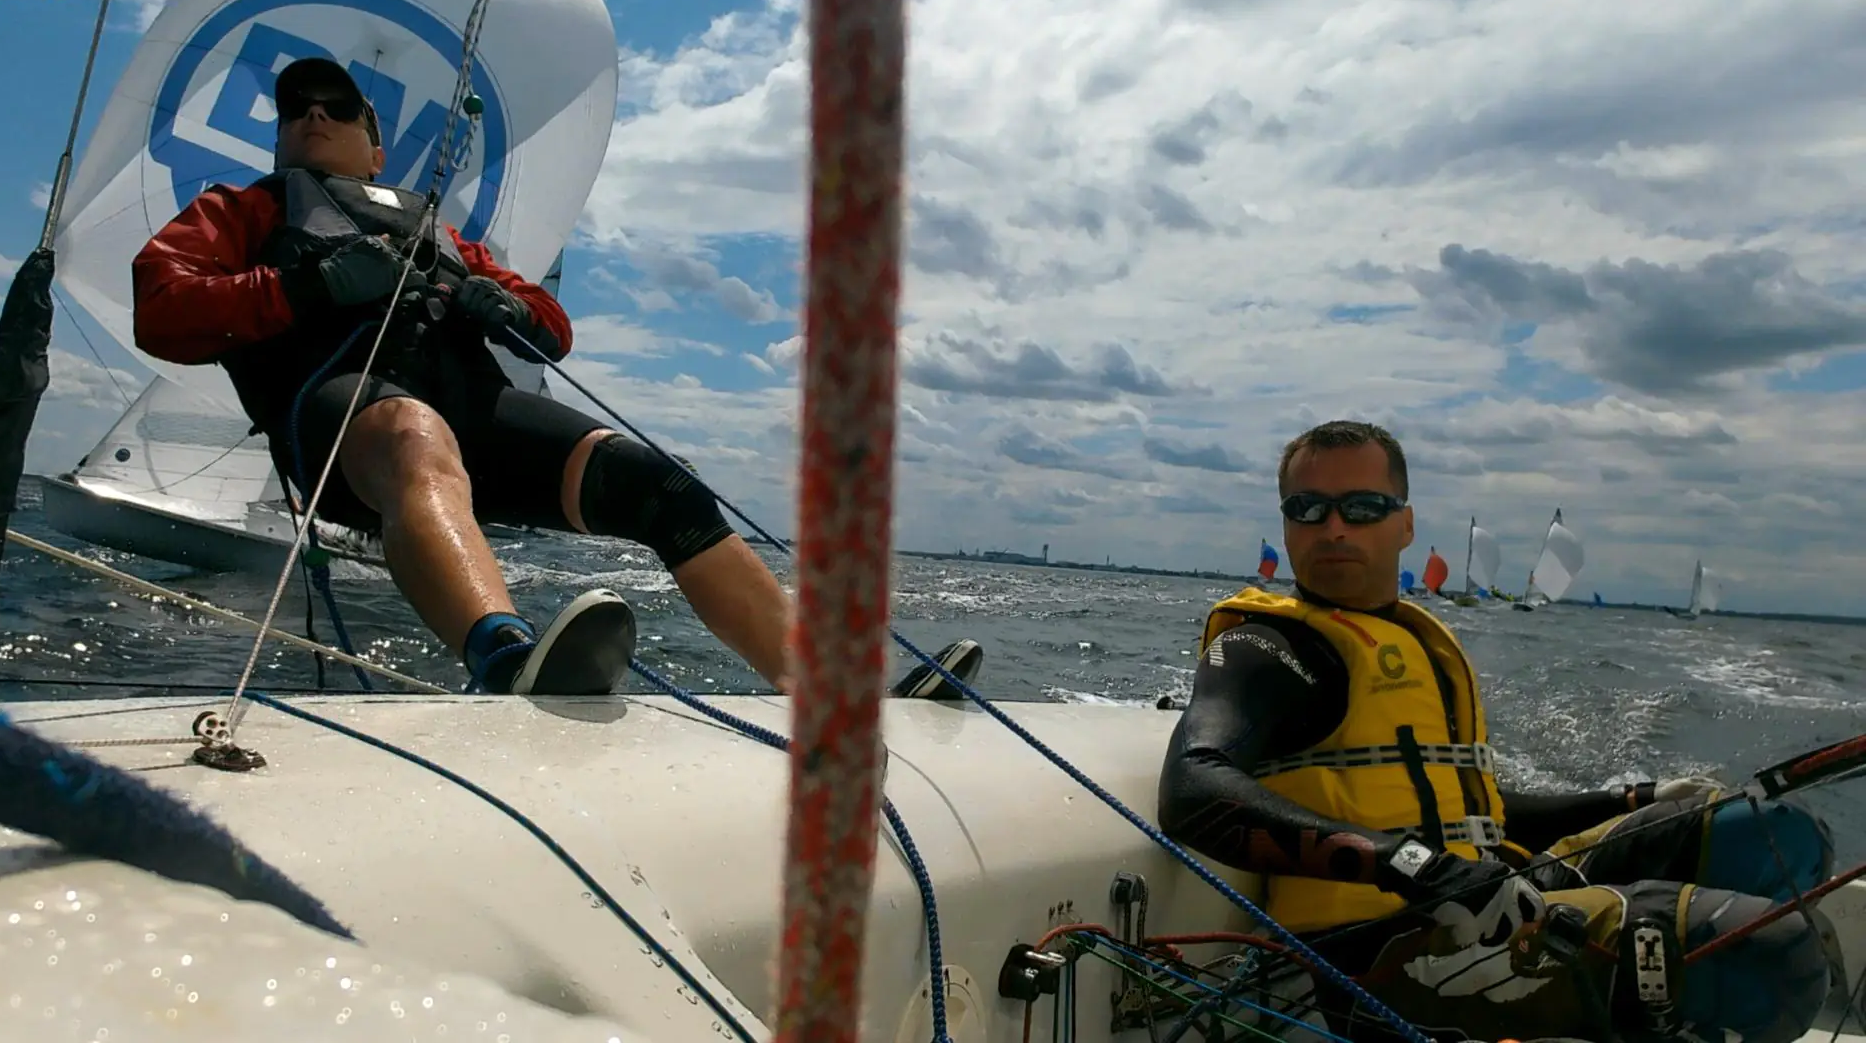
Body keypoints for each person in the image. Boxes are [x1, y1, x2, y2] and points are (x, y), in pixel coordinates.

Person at [132, 57, 981, 698]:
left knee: (659, 486)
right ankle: (506, 655)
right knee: (411, 436)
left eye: (336, 108)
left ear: (374, 139)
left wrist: (508, 307)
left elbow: (551, 326)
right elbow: (162, 307)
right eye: (295, 111)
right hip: (351, 429)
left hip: (473, 417)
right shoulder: (236, 212)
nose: (312, 117)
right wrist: (299, 283)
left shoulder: (437, 230)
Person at [1158, 420, 1837, 1043]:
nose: (1334, 526)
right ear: (1288, 525)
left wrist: (1633, 800)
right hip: (1381, 954)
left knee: (1775, 833)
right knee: (1772, 956)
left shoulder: (1415, 639)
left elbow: (1467, 813)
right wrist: (1415, 867)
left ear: (1405, 526)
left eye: (1361, 507)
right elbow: (1193, 788)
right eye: (1308, 509)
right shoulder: (1270, 648)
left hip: (1493, 893)